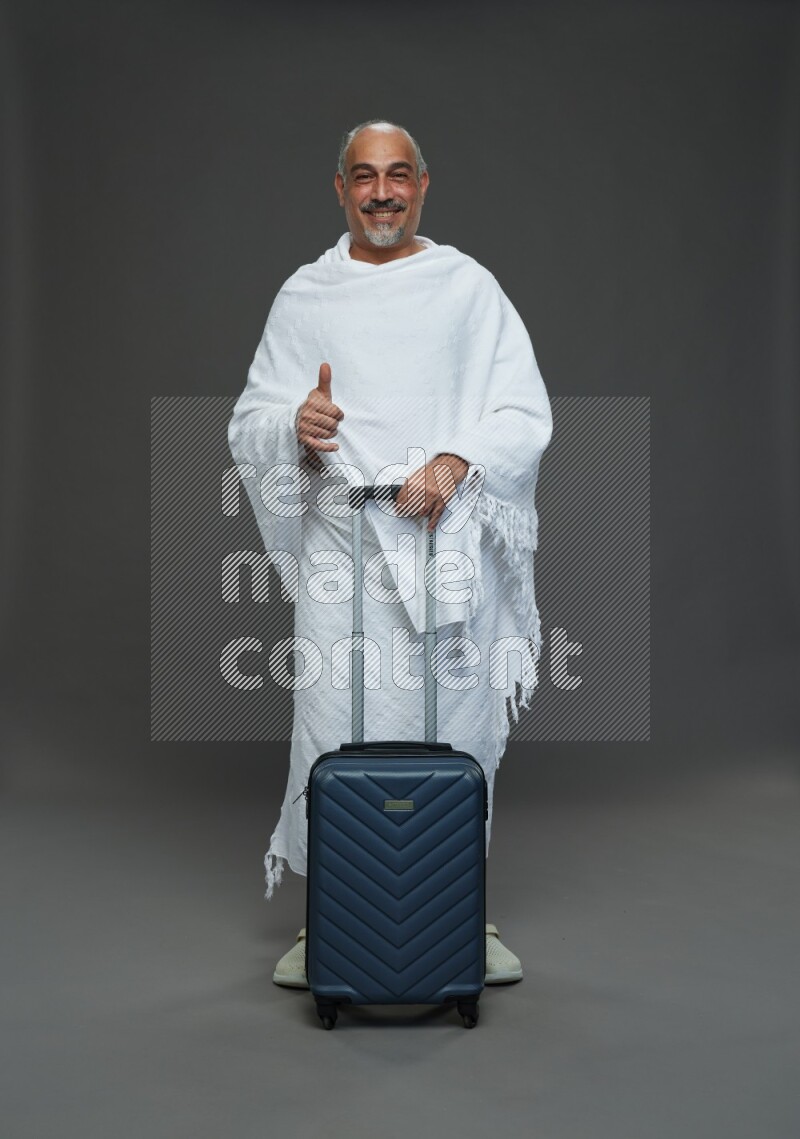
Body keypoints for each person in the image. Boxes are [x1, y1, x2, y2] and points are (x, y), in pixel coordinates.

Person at [228, 119, 552, 988]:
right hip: (346, 547)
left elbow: (521, 413)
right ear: (340, 189)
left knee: (458, 728)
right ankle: (329, 915)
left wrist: (454, 460)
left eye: (398, 175)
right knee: (335, 727)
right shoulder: (306, 296)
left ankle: (461, 916)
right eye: (364, 177)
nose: (382, 192)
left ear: (423, 185)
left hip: (443, 546)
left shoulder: (467, 289)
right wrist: (293, 423)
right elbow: (249, 417)